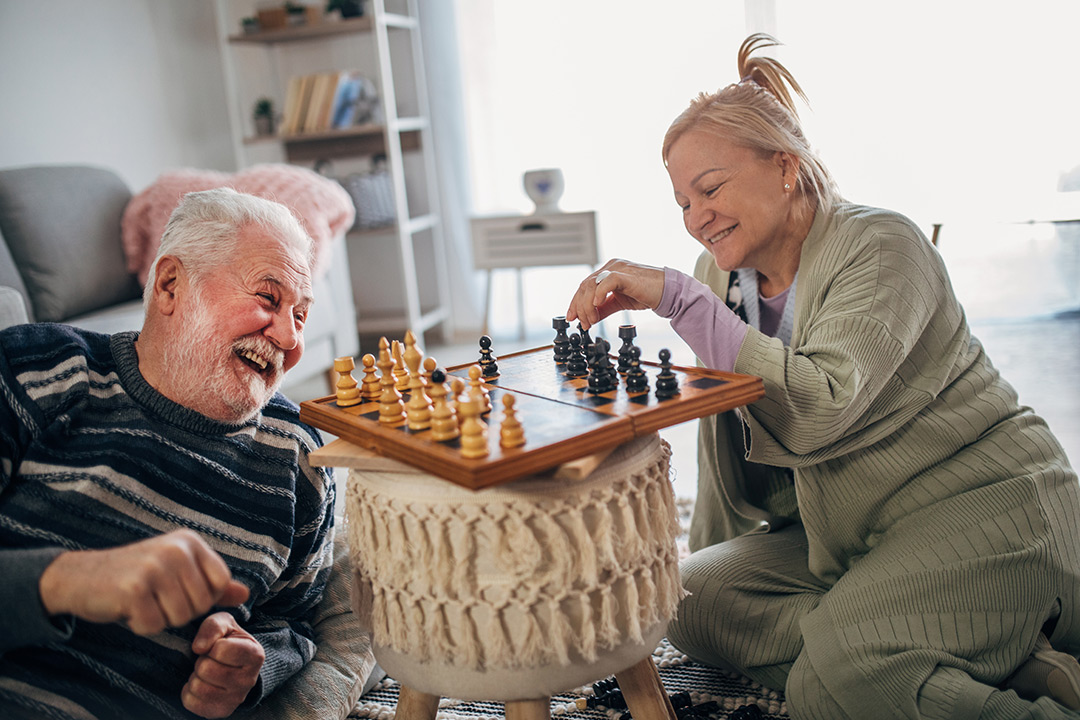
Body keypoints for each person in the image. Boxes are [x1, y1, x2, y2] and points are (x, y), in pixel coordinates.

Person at [566, 33, 1080, 720]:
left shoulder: (884, 247)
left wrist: (680, 302)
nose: (697, 219)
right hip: (845, 531)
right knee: (682, 601)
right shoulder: (721, 276)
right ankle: (976, 653)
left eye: (710, 189)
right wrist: (718, 559)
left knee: (832, 685)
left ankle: (948, 668)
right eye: (683, 204)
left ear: (785, 168)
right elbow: (728, 447)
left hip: (985, 503)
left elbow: (818, 410)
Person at [0, 187, 336, 719]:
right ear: (171, 285)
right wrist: (65, 582)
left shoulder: (299, 459)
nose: (289, 337)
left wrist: (254, 664)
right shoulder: (34, 369)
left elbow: (297, 621)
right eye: (269, 300)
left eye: (301, 314)